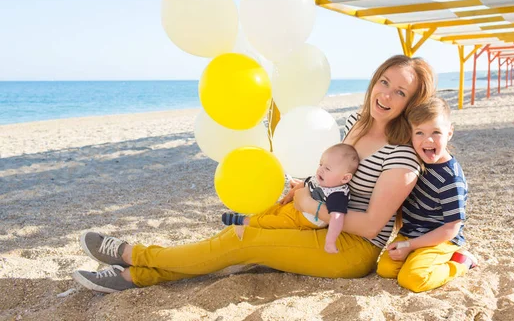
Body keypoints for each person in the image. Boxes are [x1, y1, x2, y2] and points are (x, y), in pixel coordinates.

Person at [72, 55, 438, 294]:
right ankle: (135, 277)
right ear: (375, 80)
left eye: (400, 92)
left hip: (349, 249)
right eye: (385, 82)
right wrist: (304, 188)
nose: (387, 94)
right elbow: (335, 176)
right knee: (242, 230)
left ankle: (133, 255)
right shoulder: (352, 124)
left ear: (410, 104)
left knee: (242, 243)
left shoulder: (402, 155)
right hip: (316, 221)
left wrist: (312, 206)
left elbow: (373, 226)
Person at [376, 97, 477, 293]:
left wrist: (410, 245)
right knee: (386, 269)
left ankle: (461, 262)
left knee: (413, 279)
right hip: (411, 232)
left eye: (436, 132)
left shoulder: (450, 179)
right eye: (419, 132)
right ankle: (418, 256)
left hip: (440, 238)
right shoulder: (413, 161)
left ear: (450, 132)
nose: (428, 140)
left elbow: (452, 227)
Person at [221, 143, 359, 254]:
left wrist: (330, 240)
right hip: (295, 206)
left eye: (327, 168)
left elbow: (337, 218)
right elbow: (303, 184)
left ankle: (244, 221)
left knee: (275, 222)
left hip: (303, 220)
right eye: (320, 164)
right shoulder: (322, 179)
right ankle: (251, 217)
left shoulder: (337, 194)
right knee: (273, 209)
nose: (320, 170)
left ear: (345, 178)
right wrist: (288, 197)